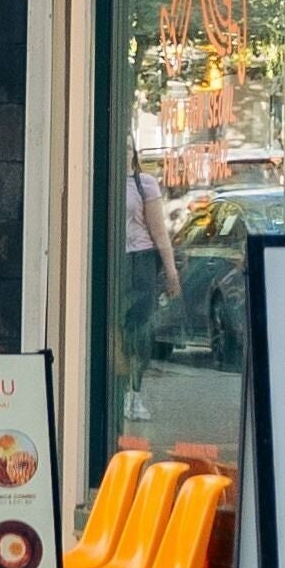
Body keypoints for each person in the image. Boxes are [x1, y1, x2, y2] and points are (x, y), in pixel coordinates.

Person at [118, 162, 180, 424]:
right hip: (114, 260)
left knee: (140, 331)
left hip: (140, 262)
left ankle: (134, 392)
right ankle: (118, 391)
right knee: (116, 332)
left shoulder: (144, 183)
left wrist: (171, 271)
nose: (124, 152)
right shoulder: (100, 180)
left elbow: (159, 232)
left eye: (129, 148)